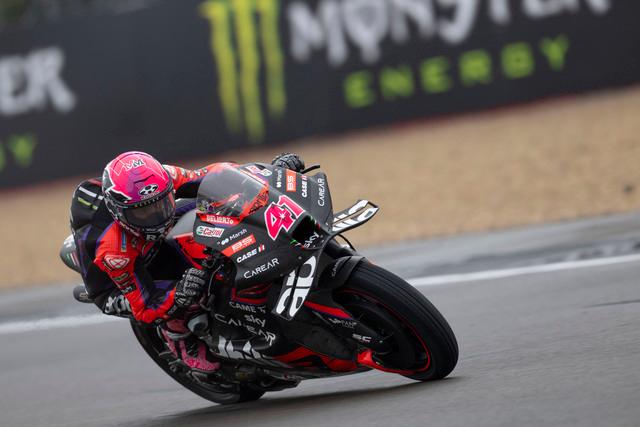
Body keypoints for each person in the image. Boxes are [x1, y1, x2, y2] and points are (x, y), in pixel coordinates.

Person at [70, 151, 305, 372]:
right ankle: (178, 338)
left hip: (141, 232)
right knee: (186, 294)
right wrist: (179, 294)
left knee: (218, 204)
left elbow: (216, 175)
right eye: (143, 213)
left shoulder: (163, 178)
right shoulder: (114, 252)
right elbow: (145, 305)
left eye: (161, 204)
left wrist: (268, 175)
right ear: (119, 212)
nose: (156, 216)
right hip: (114, 287)